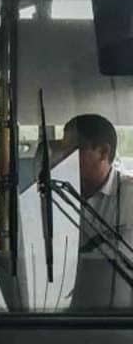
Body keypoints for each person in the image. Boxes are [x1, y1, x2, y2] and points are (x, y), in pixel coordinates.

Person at [62, 114, 133, 309]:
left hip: (119, 320)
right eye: (63, 150)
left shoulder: (130, 198)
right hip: (57, 314)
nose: (63, 158)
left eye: (74, 150)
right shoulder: (54, 195)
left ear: (103, 152)